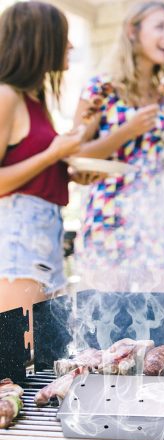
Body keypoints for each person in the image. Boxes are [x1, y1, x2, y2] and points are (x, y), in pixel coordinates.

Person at [73, 0, 164, 292]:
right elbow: (75, 156)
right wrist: (128, 130)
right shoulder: (100, 88)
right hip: (109, 216)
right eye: (160, 27)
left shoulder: (162, 97)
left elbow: (145, 165)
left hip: (151, 216)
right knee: (111, 320)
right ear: (132, 31)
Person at [0, 2, 96, 344]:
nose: (70, 46)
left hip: (43, 241)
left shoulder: (34, 100)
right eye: (63, 38)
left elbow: (31, 172)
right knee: (15, 360)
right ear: (39, 40)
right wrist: (53, 154)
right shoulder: (6, 96)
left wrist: (67, 174)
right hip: (18, 243)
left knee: (40, 357)